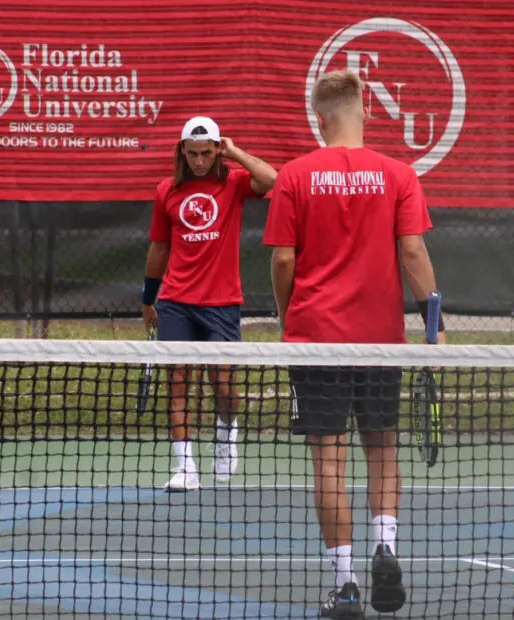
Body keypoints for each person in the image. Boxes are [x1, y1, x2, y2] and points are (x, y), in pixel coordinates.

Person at [262, 70, 446, 618]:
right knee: (384, 450)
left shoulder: (294, 176)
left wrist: (285, 314)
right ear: (365, 112)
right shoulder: (398, 175)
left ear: (320, 121)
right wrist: (434, 327)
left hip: (316, 338)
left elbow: (283, 260)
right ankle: (385, 546)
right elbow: (412, 254)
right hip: (380, 341)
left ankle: (345, 585)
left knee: (328, 461)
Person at [142, 116, 278, 491]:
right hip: (175, 301)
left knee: (224, 387)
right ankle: (186, 468)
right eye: (192, 154)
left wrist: (233, 151)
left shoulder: (233, 183)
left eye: (206, 153)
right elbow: (158, 247)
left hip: (221, 303)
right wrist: (148, 299)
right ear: (182, 153)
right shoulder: (166, 191)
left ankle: (225, 431)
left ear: (216, 150)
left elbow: (272, 180)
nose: (199, 161)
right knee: (178, 382)